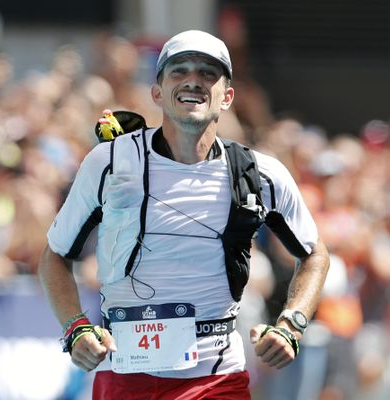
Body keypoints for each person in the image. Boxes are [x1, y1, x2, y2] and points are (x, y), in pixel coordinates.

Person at [38, 29, 330, 399]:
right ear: (157, 92)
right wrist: (75, 327)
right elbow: (54, 255)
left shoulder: (260, 173)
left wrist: (292, 323)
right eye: (179, 71)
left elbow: (314, 254)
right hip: (125, 377)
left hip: (217, 380)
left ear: (227, 97)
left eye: (208, 73)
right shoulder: (109, 163)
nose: (193, 81)